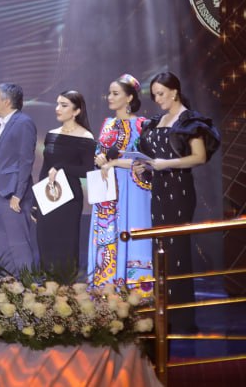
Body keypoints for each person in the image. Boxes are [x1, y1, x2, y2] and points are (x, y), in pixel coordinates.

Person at [137, 72, 220, 327]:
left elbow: (199, 157)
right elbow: (152, 157)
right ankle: (164, 313)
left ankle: (182, 317)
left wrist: (166, 164)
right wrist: (144, 166)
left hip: (179, 189)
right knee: (160, 248)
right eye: (154, 95)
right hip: (159, 189)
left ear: (174, 91)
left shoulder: (189, 120)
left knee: (177, 251)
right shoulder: (157, 121)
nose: (157, 99)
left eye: (161, 93)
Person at [88, 74, 153, 287]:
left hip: (132, 187)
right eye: (109, 93)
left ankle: (135, 288)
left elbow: (144, 160)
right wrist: (100, 159)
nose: (110, 97)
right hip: (107, 187)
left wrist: (114, 163)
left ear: (129, 97)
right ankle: (105, 287)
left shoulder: (142, 125)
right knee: (107, 234)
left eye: (115, 93)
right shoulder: (108, 123)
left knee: (131, 230)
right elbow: (100, 152)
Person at [35, 91, 95, 276]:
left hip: (70, 200)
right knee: (45, 242)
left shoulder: (86, 137)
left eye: (64, 105)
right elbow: (45, 168)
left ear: (76, 111)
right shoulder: (51, 135)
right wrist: (38, 201)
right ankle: (47, 288)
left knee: (65, 245)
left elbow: (88, 170)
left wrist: (62, 168)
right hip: (48, 198)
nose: (58, 108)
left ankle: (66, 288)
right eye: (57, 104)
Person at [0, 82, 38, 272]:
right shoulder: (3, 124)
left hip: (14, 193)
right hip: (0, 192)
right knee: (4, 244)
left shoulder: (23, 123)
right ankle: (9, 283)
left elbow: (25, 161)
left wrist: (18, 194)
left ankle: (27, 284)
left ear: (7, 102)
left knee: (18, 244)